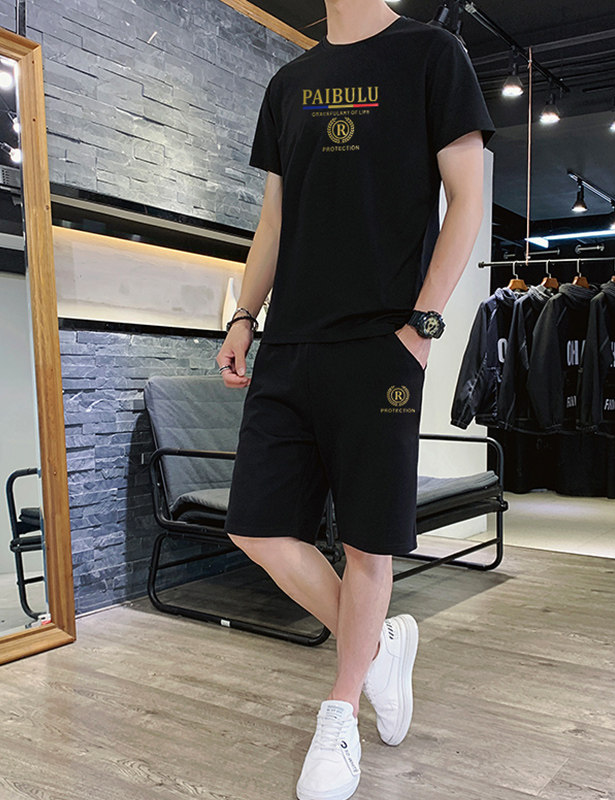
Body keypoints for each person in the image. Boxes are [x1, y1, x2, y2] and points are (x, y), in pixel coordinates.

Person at [216, 2, 494, 798]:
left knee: (369, 544)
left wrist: (423, 326)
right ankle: (378, 646)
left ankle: (339, 713)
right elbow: (275, 219)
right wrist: (243, 314)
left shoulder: (432, 55)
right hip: (290, 342)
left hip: (382, 342)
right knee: (255, 526)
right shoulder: (289, 82)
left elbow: (467, 199)